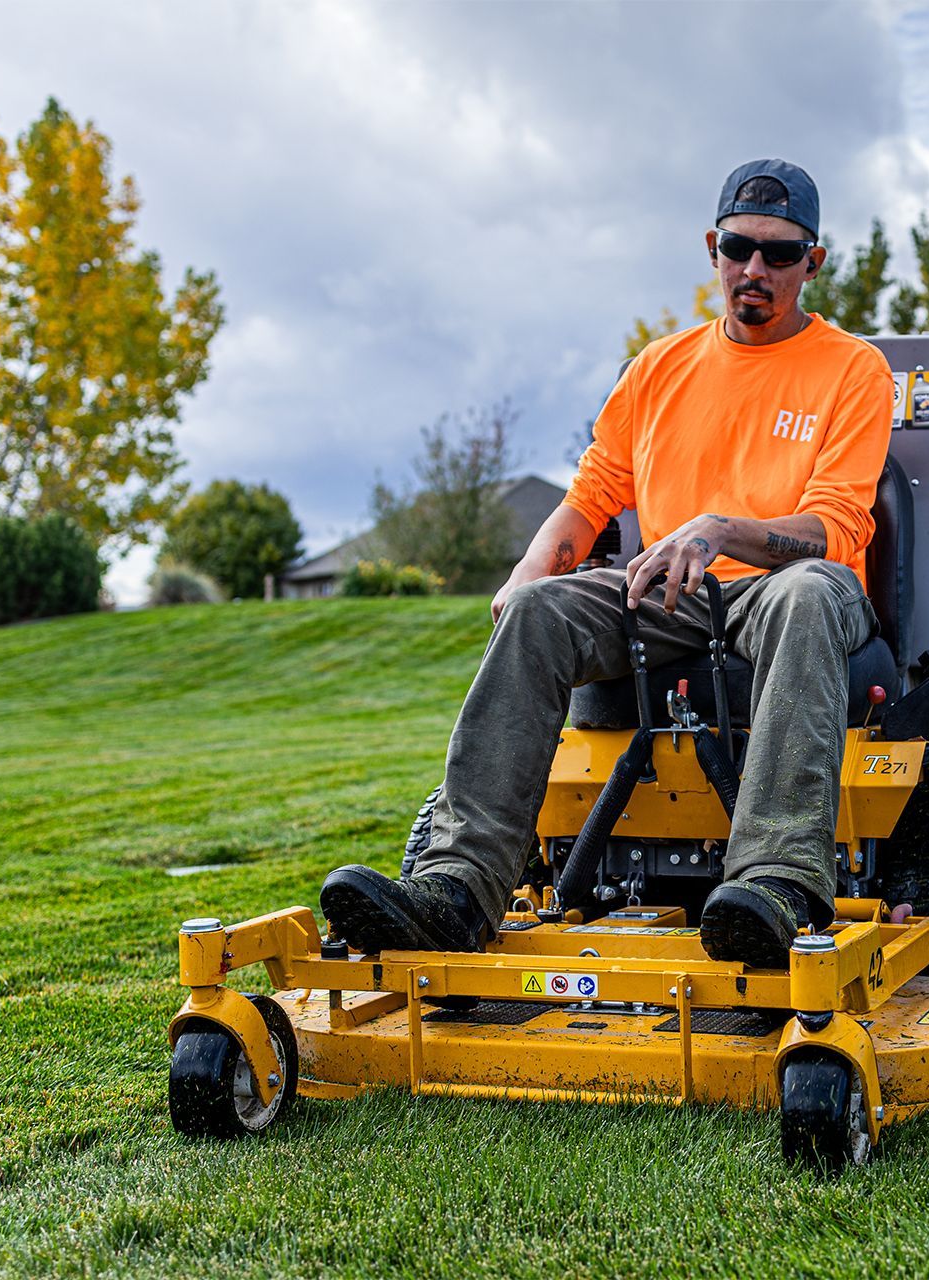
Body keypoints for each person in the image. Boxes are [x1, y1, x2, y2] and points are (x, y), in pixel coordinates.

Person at [321, 159, 894, 968]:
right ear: (712, 248)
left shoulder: (854, 369)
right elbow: (592, 496)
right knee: (535, 612)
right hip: (674, 596)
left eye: (779, 253)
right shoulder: (656, 370)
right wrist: (530, 569)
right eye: (738, 248)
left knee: (805, 591)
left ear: (814, 262)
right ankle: (456, 890)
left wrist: (720, 531)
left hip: (787, 589)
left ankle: (775, 884)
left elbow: (837, 526)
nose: (755, 270)